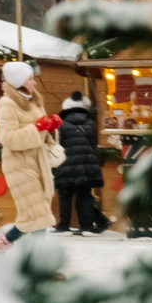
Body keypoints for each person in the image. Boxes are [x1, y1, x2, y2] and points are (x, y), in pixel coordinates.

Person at [0, 60, 62, 253]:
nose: (35, 82)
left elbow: (40, 136)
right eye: (30, 79)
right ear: (19, 81)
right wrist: (36, 128)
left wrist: (50, 128)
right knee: (37, 215)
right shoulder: (7, 104)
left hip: (38, 164)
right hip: (19, 166)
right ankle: (40, 263)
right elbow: (9, 138)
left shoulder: (33, 100)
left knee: (35, 216)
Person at [54, 86, 110, 234]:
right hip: (86, 163)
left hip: (67, 163)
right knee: (84, 194)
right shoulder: (90, 123)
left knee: (65, 195)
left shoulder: (62, 124)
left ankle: (64, 225)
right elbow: (93, 145)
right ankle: (86, 226)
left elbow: (59, 146)